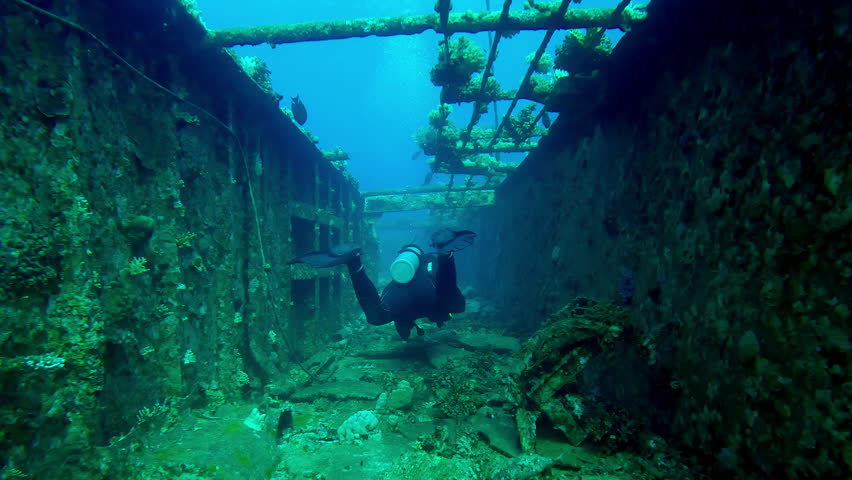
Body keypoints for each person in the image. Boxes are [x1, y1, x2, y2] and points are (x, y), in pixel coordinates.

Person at [288, 229, 476, 339]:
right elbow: (445, 287)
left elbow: (402, 331)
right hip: (431, 291)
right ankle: (445, 254)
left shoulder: (402, 277)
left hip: (401, 291)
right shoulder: (428, 262)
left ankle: (354, 262)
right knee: (455, 304)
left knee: (378, 316)